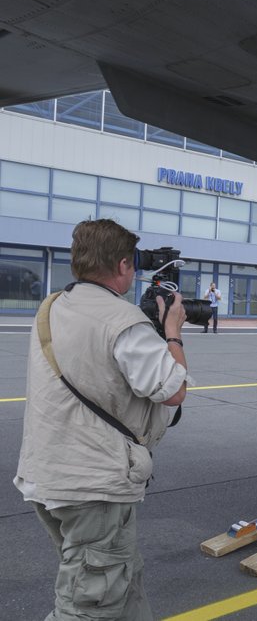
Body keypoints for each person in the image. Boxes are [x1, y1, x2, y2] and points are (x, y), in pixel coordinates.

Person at [14, 219, 188, 620]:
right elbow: (172, 390)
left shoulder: (53, 305)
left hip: (49, 473)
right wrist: (173, 331)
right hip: (93, 484)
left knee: (119, 579)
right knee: (87, 604)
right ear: (124, 265)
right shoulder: (123, 321)